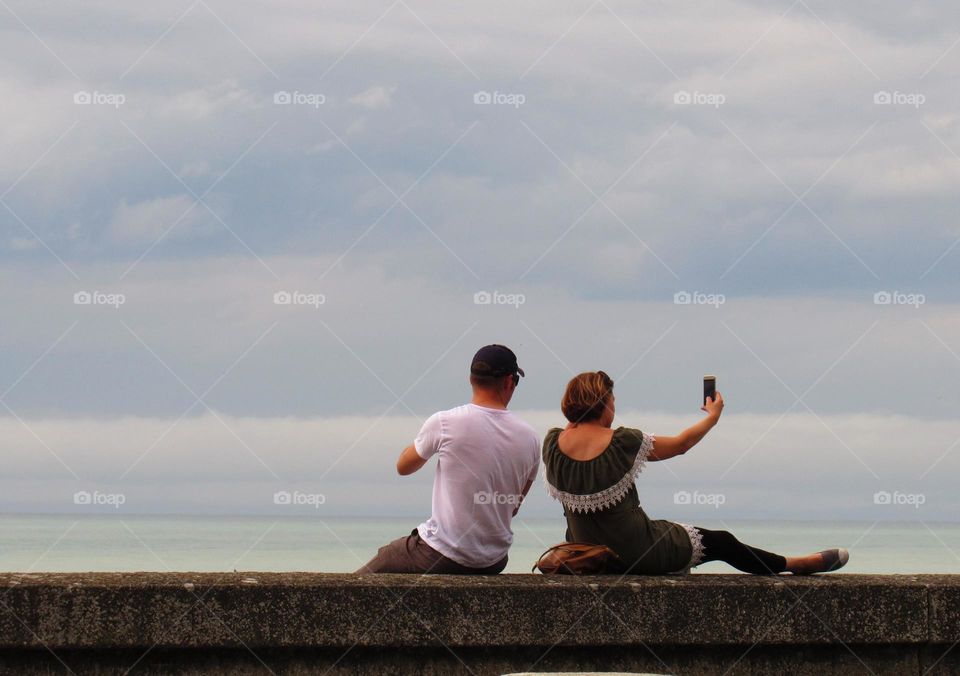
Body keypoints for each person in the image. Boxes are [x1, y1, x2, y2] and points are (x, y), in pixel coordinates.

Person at [542, 371, 849, 575]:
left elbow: (577, 434)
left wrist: (577, 418)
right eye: (612, 402)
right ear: (603, 403)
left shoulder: (553, 443)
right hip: (637, 551)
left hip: (587, 554)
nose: (614, 409)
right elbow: (681, 444)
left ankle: (792, 563)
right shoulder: (623, 441)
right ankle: (794, 564)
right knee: (720, 541)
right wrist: (712, 417)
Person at [356, 344, 540, 574]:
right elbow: (513, 506)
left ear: (471, 379)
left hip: (442, 553)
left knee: (386, 557)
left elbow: (403, 467)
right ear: (509, 382)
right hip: (495, 559)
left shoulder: (445, 422)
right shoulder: (530, 437)